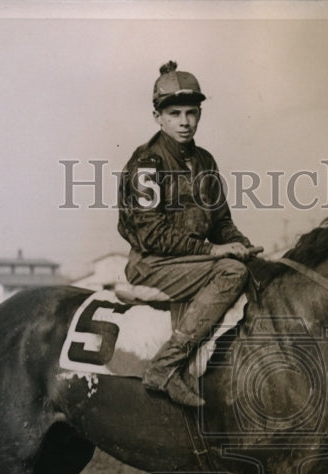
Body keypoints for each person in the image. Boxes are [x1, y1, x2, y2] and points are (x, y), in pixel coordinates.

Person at [117, 60, 263, 407]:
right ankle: (166, 368)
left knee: (253, 269)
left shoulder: (206, 161)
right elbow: (152, 235)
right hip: (153, 264)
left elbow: (222, 222)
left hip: (192, 261)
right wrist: (214, 251)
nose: (185, 122)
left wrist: (242, 244)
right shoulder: (147, 163)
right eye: (175, 113)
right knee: (232, 272)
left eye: (192, 113)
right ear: (158, 117)